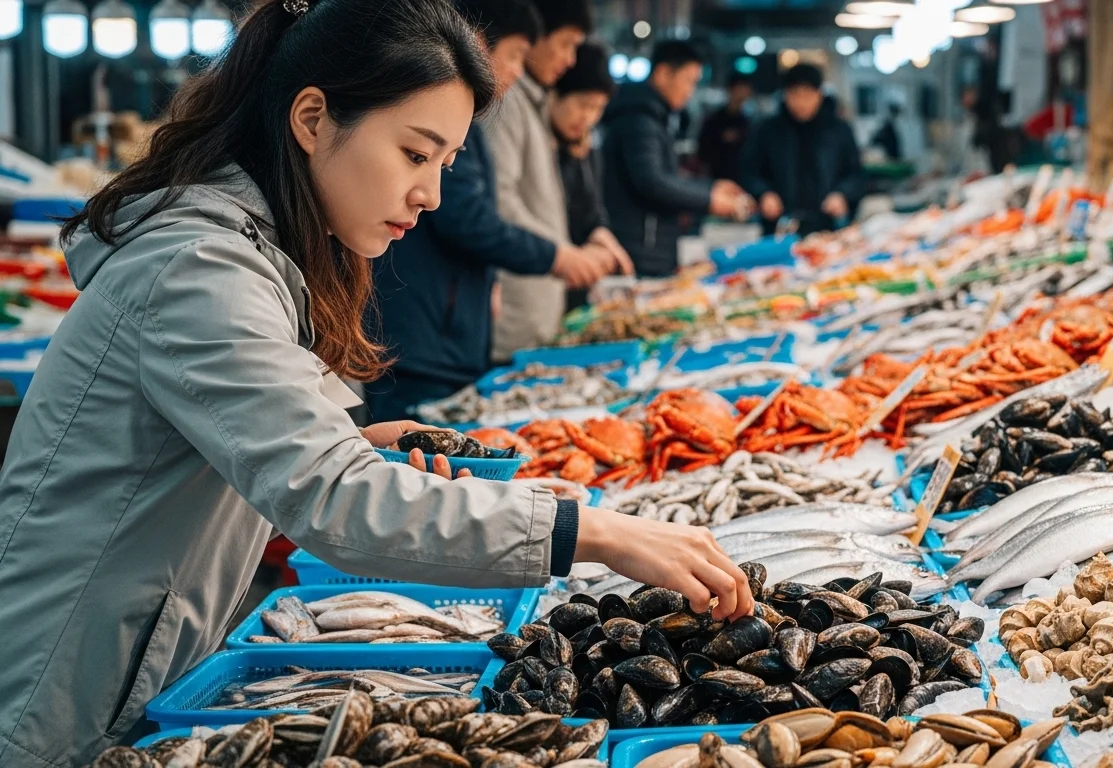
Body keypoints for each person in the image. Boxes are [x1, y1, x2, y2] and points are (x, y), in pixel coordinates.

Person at [0, 1, 752, 763]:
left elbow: (264, 443)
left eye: (444, 165)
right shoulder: (197, 269)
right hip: (54, 699)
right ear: (312, 119)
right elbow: (332, 496)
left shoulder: (259, 253)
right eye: (415, 153)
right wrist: (593, 532)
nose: (431, 194)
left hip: (130, 673)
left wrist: (357, 441)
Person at [368, 0, 606, 421]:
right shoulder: (448, 115)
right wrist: (555, 256)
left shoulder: (471, 120)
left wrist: (491, 281)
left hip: (447, 336)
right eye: (514, 55)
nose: (516, 70)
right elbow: (465, 216)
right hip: (422, 342)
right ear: (477, 44)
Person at [486, 0, 627, 362]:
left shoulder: (535, 106)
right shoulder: (507, 101)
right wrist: (563, 255)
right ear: (537, 37)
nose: (568, 59)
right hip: (516, 313)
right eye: (566, 44)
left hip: (540, 307)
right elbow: (498, 202)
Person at [601, 39, 752, 278]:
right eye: (688, 81)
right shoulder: (640, 120)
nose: (690, 91)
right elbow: (652, 181)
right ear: (663, 74)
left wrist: (710, 188)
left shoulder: (654, 117)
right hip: (639, 251)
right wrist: (709, 199)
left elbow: (664, 176)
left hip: (649, 248)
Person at [740, 64, 866, 236]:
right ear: (785, 95)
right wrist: (764, 193)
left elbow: (856, 174)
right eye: (794, 95)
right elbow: (748, 171)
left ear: (819, 94)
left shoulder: (839, 130)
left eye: (807, 95)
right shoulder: (767, 130)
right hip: (779, 226)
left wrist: (842, 194)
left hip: (828, 226)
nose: (801, 103)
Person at [551, 42, 616, 311]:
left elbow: (592, 205)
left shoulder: (587, 148)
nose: (588, 117)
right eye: (583, 104)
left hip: (580, 281)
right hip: (549, 278)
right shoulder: (543, 148)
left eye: (598, 108)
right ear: (555, 95)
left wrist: (599, 231)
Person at [697, 72, 753, 182]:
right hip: (716, 177)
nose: (742, 94)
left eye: (746, 90)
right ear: (730, 90)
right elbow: (703, 150)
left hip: (743, 179)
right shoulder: (714, 120)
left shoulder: (749, 122)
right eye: (740, 89)